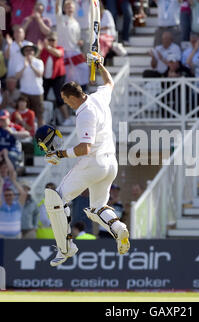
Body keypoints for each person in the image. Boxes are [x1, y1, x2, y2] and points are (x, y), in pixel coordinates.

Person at [35, 56, 130, 267]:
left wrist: (59, 155)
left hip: (93, 163)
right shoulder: (98, 96)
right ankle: (118, 228)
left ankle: (65, 248)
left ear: (71, 98)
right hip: (110, 164)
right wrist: (100, 65)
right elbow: (110, 82)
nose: (66, 104)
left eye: (65, 100)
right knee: (97, 208)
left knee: (55, 199)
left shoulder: (84, 114)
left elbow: (84, 148)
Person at [55, 0, 89, 90]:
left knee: (84, 68)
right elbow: (57, 8)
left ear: (74, 8)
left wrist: (79, 42)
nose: (70, 8)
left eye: (71, 6)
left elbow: (77, 39)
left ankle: (84, 90)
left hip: (74, 51)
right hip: (63, 52)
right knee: (66, 75)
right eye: (68, 6)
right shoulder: (61, 18)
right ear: (64, 9)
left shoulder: (76, 23)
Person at [39, 32, 70, 125]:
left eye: (53, 40)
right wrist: (40, 49)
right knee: (42, 98)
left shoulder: (59, 48)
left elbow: (58, 54)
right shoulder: (44, 50)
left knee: (59, 97)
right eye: (49, 40)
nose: (51, 42)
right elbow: (37, 57)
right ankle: (42, 119)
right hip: (46, 77)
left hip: (58, 77)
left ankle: (67, 118)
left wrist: (47, 47)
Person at [15, 42, 45, 128]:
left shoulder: (39, 62)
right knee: (24, 115)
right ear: (24, 52)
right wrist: (24, 66)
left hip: (37, 92)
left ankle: (42, 136)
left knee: (39, 116)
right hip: (24, 92)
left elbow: (40, 74)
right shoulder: (20, 63)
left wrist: (31, 65)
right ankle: (27, 135)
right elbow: (17, 77)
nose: (28, 52)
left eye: (31, 50)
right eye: (26, 50)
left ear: (34, 51)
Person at [0, 170, 27, 239]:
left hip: (16, 237)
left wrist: (14, 181)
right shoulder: (2, 206)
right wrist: (2, 184)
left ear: (14, 196)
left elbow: (23, 194)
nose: (8, 197)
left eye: (10, 195)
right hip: (2, 237)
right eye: (6, 195)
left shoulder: (17, 206)